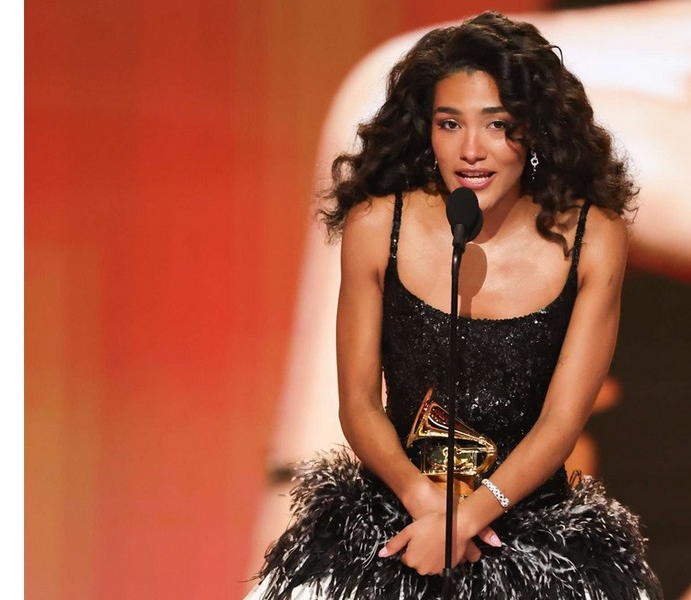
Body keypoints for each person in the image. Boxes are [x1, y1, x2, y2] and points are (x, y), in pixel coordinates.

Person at [246, 11, 662, 600]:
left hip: (527, 529)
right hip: (398, 516)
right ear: (427, 132)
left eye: (497, 125)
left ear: (534, 131)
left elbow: (562, 422)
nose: (471, 150)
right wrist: (426, 505)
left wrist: (467, 519)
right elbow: (359, 404)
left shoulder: (592, 237)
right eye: (449, 124)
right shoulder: (378, 225)